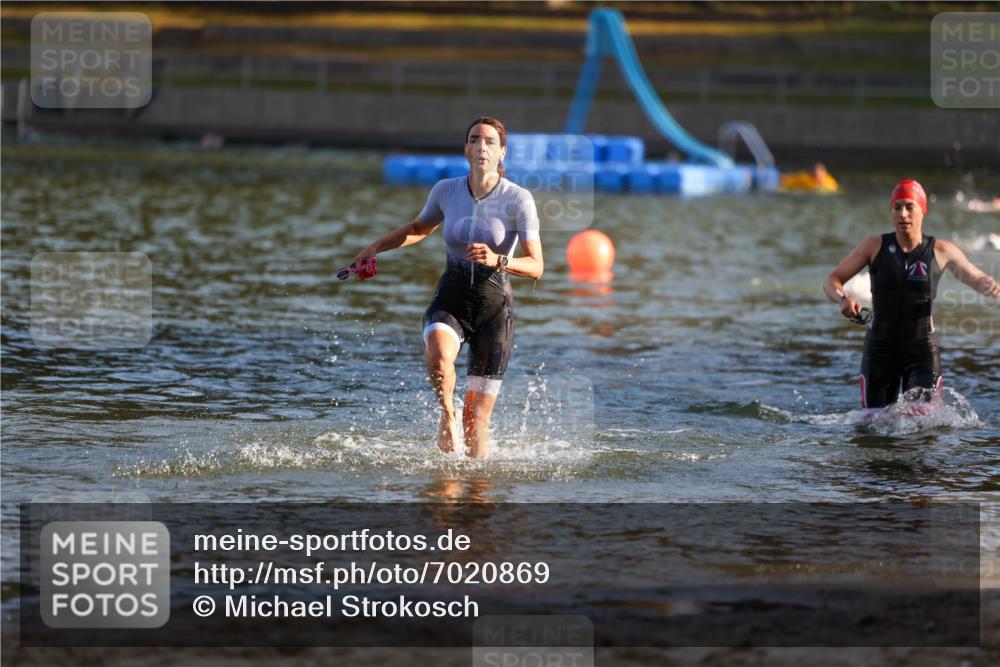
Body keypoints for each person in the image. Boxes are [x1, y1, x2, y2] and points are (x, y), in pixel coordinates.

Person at [353, 117, 544, 458]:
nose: (481, 146)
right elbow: (418, 228)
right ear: (466, 149)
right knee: (440, 356)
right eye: (475, 139)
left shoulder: (519, 199)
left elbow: (536, 266)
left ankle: (476, 497)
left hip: (494, 311)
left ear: (502, 152)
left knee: (476, 421)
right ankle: (446, 414)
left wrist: (498, 259)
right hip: (451, 299)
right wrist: (374, 248)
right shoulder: (446, 190)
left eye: (489, 141)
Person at [822, 179, 1000, 408]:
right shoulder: (874, 247)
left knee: (922, 428)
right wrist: (843, 299)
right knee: (874, 426)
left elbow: (975, 276)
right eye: (897, 207)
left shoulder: (940, 251)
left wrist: (991, 285)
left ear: (922, 210)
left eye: (909, 207)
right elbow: (831, 280)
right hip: (880, 350)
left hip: (922, 352)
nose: (903, 214)